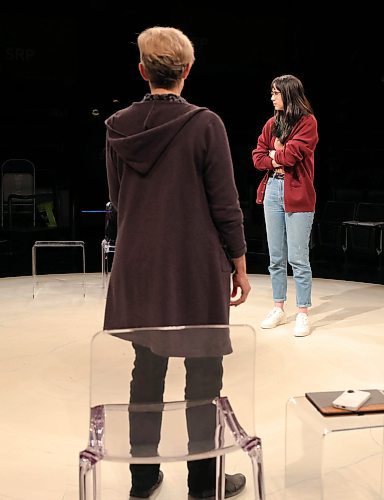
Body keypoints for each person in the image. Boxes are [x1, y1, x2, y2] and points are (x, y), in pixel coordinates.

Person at [103, 26, 251, 499]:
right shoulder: (207, 124)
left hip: (141, 263)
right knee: (204, 374)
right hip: (195, 265)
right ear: (187, 71)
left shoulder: (116, 127)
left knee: (146, 370)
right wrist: (240, 263)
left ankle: (142, 479)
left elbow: (117, 200)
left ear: (142, 70)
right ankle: (204, 484)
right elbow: (225, 203)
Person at [252, 74, 318, 337]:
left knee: (298, 259)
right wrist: (274, 157)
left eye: (275, 93)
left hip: (298, 192)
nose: (272, 97)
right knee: (276, 257)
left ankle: (303, 312)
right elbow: (257, 157)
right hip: (272, 191)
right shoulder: (271, 123)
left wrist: (275, 154)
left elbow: (292, 155)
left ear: (288, 94)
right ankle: (278, 307)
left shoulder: (308, 122)